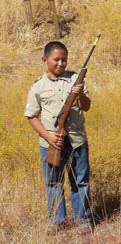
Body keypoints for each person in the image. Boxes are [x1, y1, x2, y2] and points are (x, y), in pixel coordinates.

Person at [25, 41, 94, 234]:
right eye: (56, 60)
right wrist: (48, 137)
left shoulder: (75, 80)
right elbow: (31, 116)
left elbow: (86, 106)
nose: (61, 63)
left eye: (64, 60)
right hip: (51, 143)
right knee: (53, 182)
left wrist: (80, 94)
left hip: (76, 140)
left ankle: (83, 220)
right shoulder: (38, 86)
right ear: (45, 60)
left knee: (80, 181)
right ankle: (56, 220)